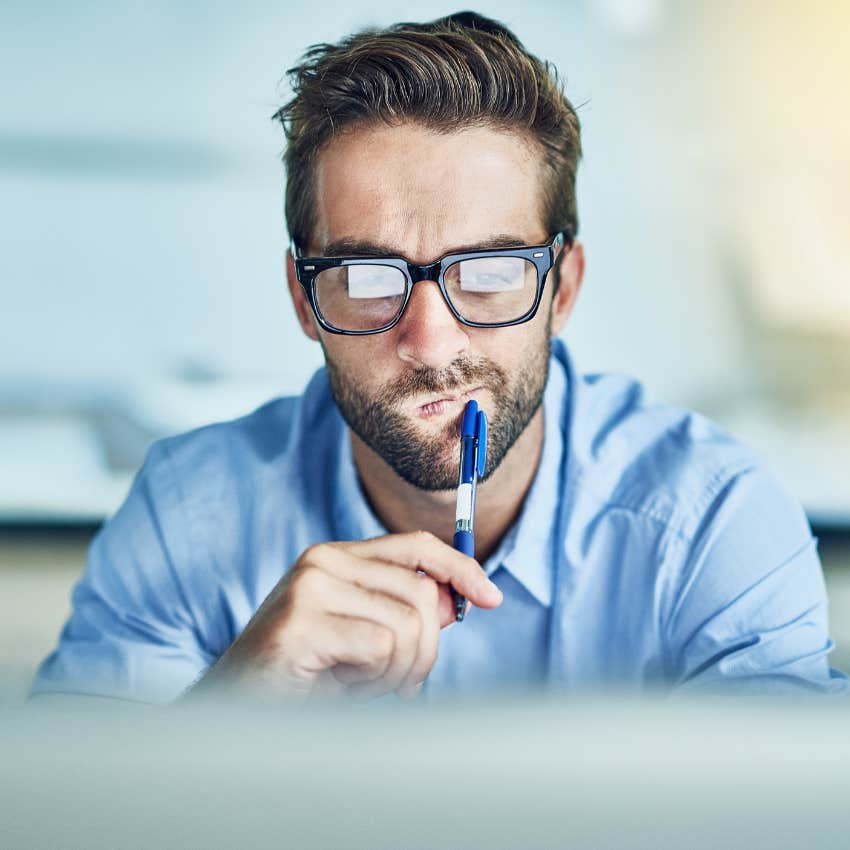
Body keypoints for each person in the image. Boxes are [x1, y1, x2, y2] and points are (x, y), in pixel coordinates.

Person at [33, 11, 847, 703]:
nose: (430, 343)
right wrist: (230, 707)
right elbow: (67, 814)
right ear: (303, 300)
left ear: (562, 289)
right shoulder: (187, 516)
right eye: (367, 277)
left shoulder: (709, 522)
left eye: (489, 274)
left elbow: (793, 812)